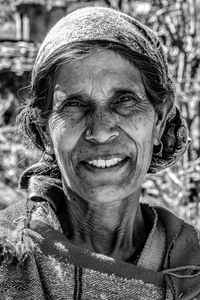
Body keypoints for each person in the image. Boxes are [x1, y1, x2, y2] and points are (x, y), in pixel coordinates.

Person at [0, 6, 199, 300]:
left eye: (125, 100)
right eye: (74, 105)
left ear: (159, 120)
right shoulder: (10, 256)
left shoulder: (189, 266)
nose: (101, 130)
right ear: (44, 129)